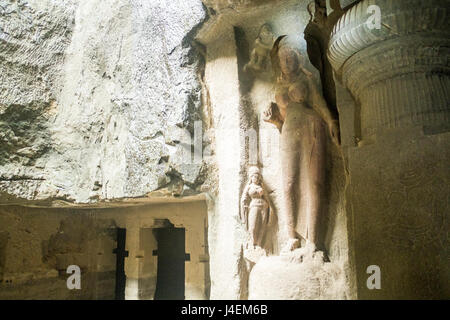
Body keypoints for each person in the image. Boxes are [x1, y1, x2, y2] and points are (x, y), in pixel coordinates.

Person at [263, 35, 340, 252]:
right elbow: (283, 118)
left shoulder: (306, 80)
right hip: (288, 132)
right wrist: (274, 119)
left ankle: (314, 242)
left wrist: (331, 120)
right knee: (287, 184)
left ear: (299, 59)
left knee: (312, 183)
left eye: (290, 57)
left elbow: (319, 103)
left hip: (311, 127)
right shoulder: (278, 86)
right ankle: (291, 237)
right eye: (282, 59)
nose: (286, 63)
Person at [240, 166, 273, 248]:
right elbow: (243, 198)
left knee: (262, 226)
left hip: (263, 206)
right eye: (255, 176)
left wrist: (269, 206)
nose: (256, 178)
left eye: (258, 177)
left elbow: (267, 198)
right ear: (251, 177)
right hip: (254, 206)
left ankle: (258, 244)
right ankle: (252, 242)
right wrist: (244, 207)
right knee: (253, 226)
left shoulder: (261, 186)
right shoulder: (249, 187)